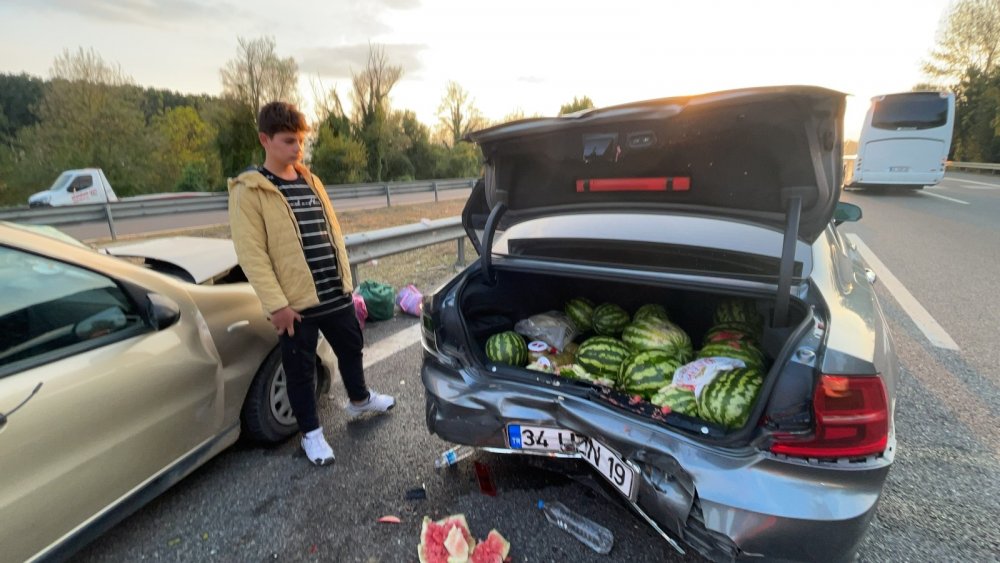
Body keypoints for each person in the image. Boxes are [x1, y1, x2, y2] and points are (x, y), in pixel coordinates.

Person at [228, 101, 394, 467]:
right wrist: (277, 305)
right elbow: (252, 254)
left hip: (334, 290)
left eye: (301, 140)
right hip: (295, 303)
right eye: (289, 141)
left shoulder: (310, 179)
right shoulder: (249, 191)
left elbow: (331, 232)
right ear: (265, 140)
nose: (297, 148)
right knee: (300, 370)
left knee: (351, 347)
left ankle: (359, 399)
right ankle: (311, 435)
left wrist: (346, 282)